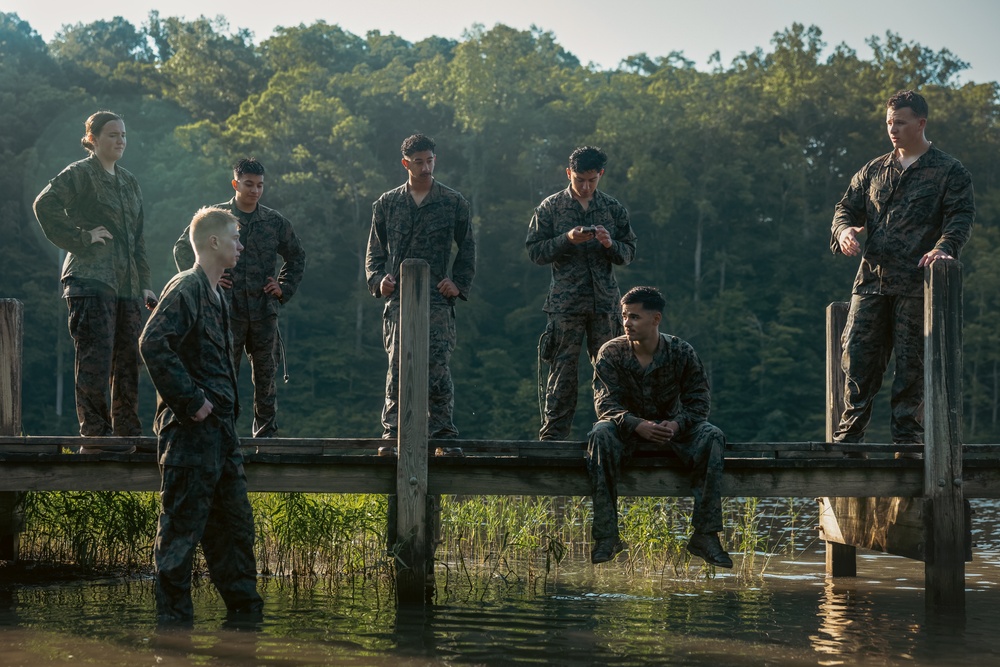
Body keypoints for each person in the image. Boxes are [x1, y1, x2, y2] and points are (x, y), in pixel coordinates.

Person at [831, 90, 974, 456]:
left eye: (900, 122)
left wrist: (944, 248)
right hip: (871, 283)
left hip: (915, 284)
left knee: (911, 367)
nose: (892, 129)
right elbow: (845, 208)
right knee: (857, 360)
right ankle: (850, 441)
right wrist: (844, 231)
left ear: (921, 123)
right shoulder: (875, 169)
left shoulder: (949, 170)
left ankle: (907, 445)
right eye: (889, 122)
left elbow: (960, 216)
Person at [140, 206, 263, 625]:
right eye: (235, 238)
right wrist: (191, 400)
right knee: (178, 542)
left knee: (235, 533)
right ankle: (172, 639)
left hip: (223, 439)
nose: (240, 245)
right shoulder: (186, 287)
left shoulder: (218, 294)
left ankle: (245, 629)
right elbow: (153, 343)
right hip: (190, 440)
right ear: (213, 242)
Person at [33, 110, 157, 452]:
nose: (120, 140)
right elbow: (44, 205)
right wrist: (82, 237)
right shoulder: (80, 174)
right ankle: (96, 434)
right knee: (95, 357)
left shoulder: (129, 182)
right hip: (89, 281)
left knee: (129, 359)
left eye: (123, 135)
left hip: (127, 286)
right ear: (93, 139)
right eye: (113, 134)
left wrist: (144, 282)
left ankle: (128, 432)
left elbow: (138, 238)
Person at [587, 286, 731, 568]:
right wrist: (636, 424)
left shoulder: (681, 351)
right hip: (625, 433)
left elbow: (699, 403)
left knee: (712, 435)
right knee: (600, 432)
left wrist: (677, 425)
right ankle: (607, 536)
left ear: (656, 319)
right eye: (625, 316)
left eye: (635, 317)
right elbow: (605, 405)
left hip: (672, 434)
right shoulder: (611, 353)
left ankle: (706, 535)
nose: (627, 323)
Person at [173, 157, 305, 437]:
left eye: (259, 185)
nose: (255, 190)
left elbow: (296, 257)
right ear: (235, 183)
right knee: (222, 375)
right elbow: (183, 248)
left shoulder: (274, 221)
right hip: (224, 310)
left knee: (266, 377)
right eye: (248, 184)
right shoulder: (218, 218)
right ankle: (223, 433)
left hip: (263, 311)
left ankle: (266, 437)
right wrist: (205, 280)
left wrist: (284, 287)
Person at [365, 134, 476, 440]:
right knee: (398, 365)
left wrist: (459, 284)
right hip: (399, 296)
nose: (425, 167)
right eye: (418, 162)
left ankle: (442, 433)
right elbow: (375, 251)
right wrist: (378, 280)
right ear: (406, 163)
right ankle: (393, 432)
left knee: (437, 366)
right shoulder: (387, 203)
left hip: (437, 298)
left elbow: (467, 249)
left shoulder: (453, 202)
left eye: (429, 160)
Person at [526, 146, 636, 441]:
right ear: (568, 174)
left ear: (600, 174)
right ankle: (553, 439)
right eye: (579, 180)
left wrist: (610, 244)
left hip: (605, 304)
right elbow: (535, 251)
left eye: (591, 180)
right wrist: (566, 239)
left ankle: (616, 432)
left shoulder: (613, 208)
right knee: (562, 373)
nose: (585, 186)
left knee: (611, 371)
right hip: (566, 303)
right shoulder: (550, 207)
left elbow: (629, 253)